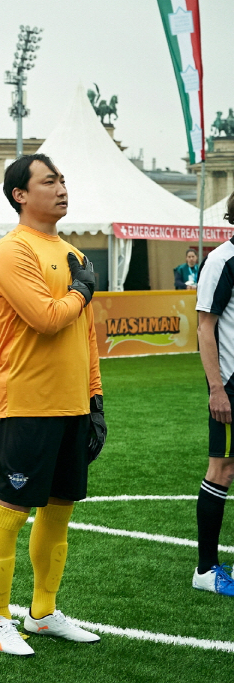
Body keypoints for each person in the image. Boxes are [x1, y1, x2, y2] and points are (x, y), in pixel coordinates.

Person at [0, 152, 103, 655]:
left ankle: (44, 613)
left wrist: (94, 396)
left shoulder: (72, 253)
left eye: (63, 179)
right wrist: (82, 291)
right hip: (27, 404)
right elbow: (48, 317)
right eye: (49, 181)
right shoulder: (12, 250)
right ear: (20, 195)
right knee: (12, 510)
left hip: (72, 404)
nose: (61, 187)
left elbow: (84, 336)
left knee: (60, 510)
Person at [194, 192, 234, 595]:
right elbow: (206, 326)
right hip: (231, 384)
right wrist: (217, 388)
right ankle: (205, 569)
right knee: (221, 469)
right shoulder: (221, 260)